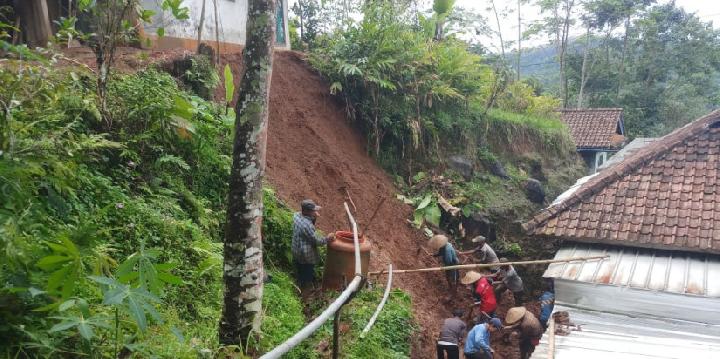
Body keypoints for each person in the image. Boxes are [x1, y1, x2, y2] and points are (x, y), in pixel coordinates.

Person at [291, 199, 334, 291]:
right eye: (313, 211)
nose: (315, 212)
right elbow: (316, 241)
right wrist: (327, 239)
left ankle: (301, 281)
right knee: (307, 271)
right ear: (306, 211)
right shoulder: (307, 226)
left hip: (296, 249)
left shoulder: (296, 215)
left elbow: (307, 225)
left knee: (300, 268)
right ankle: (306, 289)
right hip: (305, 255)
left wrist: (314, 218)